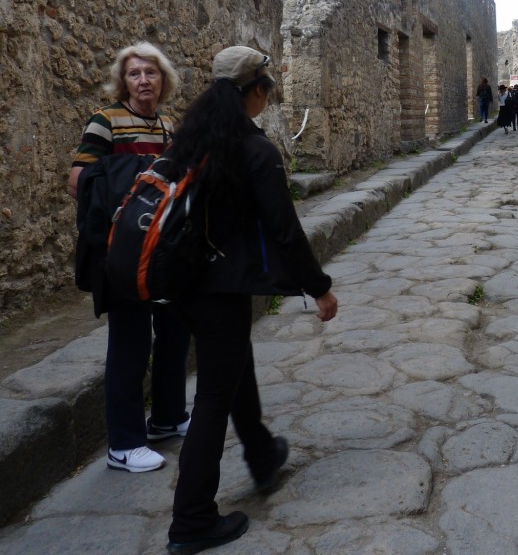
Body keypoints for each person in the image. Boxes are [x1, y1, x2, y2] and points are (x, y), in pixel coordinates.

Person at [163, 46, 338, 555]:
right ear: (257, 92)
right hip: (220, 289)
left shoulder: (191, 140)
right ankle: (192, 520)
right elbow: (284, 230)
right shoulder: (255, 150)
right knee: (213, 397)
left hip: (183, 284)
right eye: (267, 90)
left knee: (234, 365)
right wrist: (319, 287)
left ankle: (261, 454)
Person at [69, 42, 192, 474]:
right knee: (130, 343)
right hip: (122, 253)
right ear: (124, 81)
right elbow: (78, 180)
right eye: (135, 73)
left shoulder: (167, 125)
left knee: (175, 331)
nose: (143, 81)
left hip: (162, 252)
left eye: (150, 73)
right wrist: (131, 195)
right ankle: (123, 444)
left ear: (163, 80)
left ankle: (167, 418)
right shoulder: (105, 121)